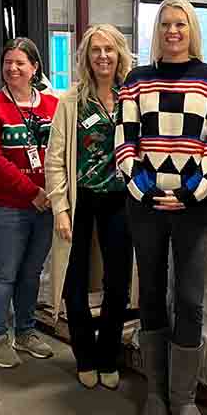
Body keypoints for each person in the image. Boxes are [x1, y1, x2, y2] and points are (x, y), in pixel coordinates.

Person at [115, 0, 207, 415]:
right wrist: (148, 190)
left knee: (188, 297)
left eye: (180, 23)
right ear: (157, 31)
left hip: (194, 205)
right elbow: (126, 139)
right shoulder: (136, 80)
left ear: (192, 29)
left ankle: (183, 400)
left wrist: (188, 193)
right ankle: (155, 395)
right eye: (165, 23)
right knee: (149, 293)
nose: (172, 31)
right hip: (144, 204)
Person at [45, 24, 134, 390]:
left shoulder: (132, 97)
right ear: (85, 57)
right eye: (95, 50)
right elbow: (55, 158)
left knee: (118, 281)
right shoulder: (71, 102)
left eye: (109, 50)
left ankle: (108, 354)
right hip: (80, 199)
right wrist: (60, 208)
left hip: (120, 199)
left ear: (119, 54)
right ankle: (85, 353)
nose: (102, 56)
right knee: (74, 279)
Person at [0, 38, 58, 368]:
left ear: (35, 68)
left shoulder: (51, 106)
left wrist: (55, 192)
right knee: (4, 273)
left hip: (45, 205)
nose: (13, 68)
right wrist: (31, 192)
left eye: (21, 62)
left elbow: (62, 151)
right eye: (8, 62)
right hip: (5, 205)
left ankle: (25, 332)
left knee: (31, 272)